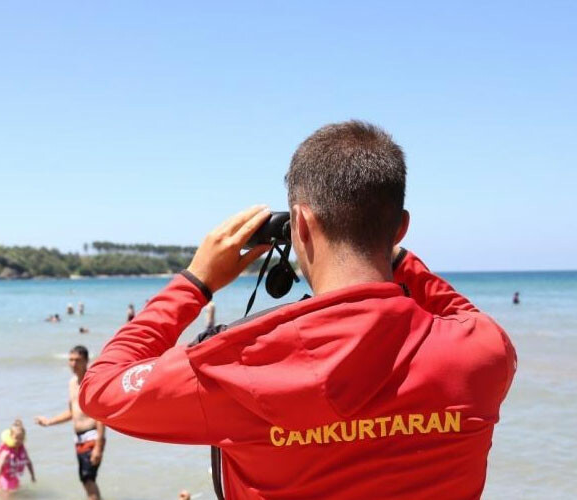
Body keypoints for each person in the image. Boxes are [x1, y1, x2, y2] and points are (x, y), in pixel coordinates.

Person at [79, 121, 517, 499]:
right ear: (401, 226)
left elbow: (100, 389)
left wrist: (195, 282)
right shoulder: (483, 353)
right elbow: (461, 311)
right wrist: (396, 256)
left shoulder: (234, 369)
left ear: (300, 223)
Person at [36, 345, 105, 500]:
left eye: (78, 360)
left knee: (88, 479)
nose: (73, 364)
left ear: (86, 361)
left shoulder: (92, 383)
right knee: (85, 479)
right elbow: (72, 412)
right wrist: (49, 421)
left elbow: (100, 414)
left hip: (92, 436)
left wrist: (99, 446)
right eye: (71, 360)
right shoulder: (72, 383)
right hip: (79, 438)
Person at [0, 419, 36, 493]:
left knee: (17, 492)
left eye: (21, 438)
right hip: (4, 479)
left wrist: (32, 476)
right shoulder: (6, 451)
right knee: (6, 495)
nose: (19, 441)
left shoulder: (22, 449)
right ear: (11, 437)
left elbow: (29, 462)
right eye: (16, 438)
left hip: (13, 477)